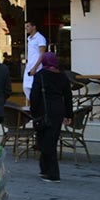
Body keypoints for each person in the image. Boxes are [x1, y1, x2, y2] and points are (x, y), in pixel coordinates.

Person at [30, 52, 73, 183]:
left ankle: (53, 173)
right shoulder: (63, 76)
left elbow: (34, 96)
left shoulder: (40, 76)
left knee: (45, 141)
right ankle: (45, 169)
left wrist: (34, 113)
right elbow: (68, 96)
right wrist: (68, 114)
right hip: (57, 111)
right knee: (50, 139)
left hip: (43, 111)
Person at [23, 20, 46, 105]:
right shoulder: (29, 38)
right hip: (29, 65)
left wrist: (35, 67)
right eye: (26, 27)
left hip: (37, 66)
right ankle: (34, 104)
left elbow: (42, 54)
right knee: (26, 87)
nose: (26, 28)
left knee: (35, 87)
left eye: (28, 26)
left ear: (34, 27)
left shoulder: (40, 38)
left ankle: (37, 105)